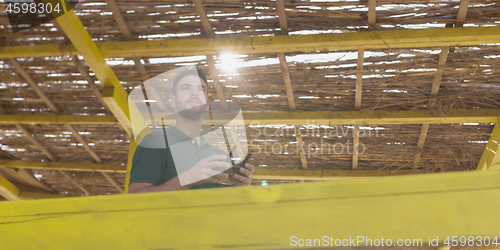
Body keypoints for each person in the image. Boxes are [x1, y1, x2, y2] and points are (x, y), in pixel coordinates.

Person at [128, 68, 255, 193]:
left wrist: (243, 187)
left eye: (201, 89)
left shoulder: (220, 157)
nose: (194, 93)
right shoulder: (155, 142)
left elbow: (231, 208)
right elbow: (134, 200)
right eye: (186, 88)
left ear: (207, 104)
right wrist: (187, 179)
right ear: (173, 101)